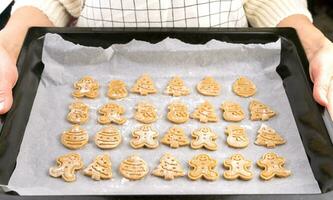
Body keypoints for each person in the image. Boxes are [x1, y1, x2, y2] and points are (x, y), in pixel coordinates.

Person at [0, 0, 333, 116]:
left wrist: (316, 47)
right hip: (92, 84)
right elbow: (50, 2)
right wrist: (7, 44)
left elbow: (271, 4)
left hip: (229, 83)